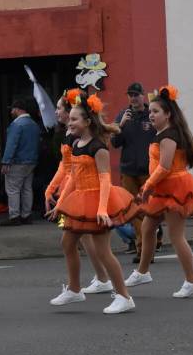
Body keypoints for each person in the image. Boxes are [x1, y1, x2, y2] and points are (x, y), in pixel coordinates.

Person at [48, 89, 139, 314]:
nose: (69, 122)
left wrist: (101, 209)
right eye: (69, 119)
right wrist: (60, 204)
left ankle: (124, 296)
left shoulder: (98, 147)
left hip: (99, 202)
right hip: (80, 200)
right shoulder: (77, 144)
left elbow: (105, 180)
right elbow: (73, 178)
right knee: (67, 243)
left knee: (103, 252)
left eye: (74, 119)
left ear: (88, 121)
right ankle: (75, 290)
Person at [126, 85, 193, 298]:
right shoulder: (162, 133)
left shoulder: (168, 136)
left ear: (168, 114)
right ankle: (143, 272)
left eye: (156, 112)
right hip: (163, 187)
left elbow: (164, 167)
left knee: (176, 236)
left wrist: (147, 187)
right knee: (147, 226)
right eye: (150, 111)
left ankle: (192, 280)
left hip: (173, 188)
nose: (151, 115)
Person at [44, 90, 115, 296]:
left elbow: (72, 170)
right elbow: (66, 167)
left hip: (80, 192)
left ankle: (103, 279)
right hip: (72, 190)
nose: (57, 111)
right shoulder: (70, 137)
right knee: (78, 238)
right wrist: (52, 189)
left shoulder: (80, 140)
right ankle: (97, 279)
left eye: (60, 108)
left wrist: (55, 191)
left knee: (85, 237)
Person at [112, 82, 159, 260]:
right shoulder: (123, 115)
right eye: (130, 95)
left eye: (136, 94)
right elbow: (115, 143)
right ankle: (143, 250)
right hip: (129, 170)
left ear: (142, 95)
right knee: (134, 211)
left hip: (149, 171)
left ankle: (153, 239)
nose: (133, 98)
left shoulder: (151, 114)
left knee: (150, 210)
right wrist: (121, 125)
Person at [0, 98, 41, 226]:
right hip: (31, 161)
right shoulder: (34, 124)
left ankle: (14, 216)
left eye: (12, 109)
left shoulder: (16, 125)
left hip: (17, 162)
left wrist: (6, 161)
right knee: (27, 188)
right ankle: (26, 215)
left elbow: (11, 144)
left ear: (17, 109)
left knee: (13, 189)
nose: (11, 111)